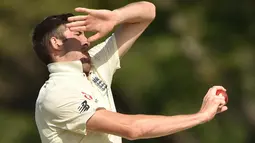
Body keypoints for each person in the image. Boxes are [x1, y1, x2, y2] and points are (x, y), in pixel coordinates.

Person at [32, 1, 228, 143]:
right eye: (77, 34)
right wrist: (201, 116)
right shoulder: (57, 93)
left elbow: (148, 11)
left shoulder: (93, 64)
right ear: (55, 43)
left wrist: (116, 16)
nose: (86, 41)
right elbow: (133, 129)